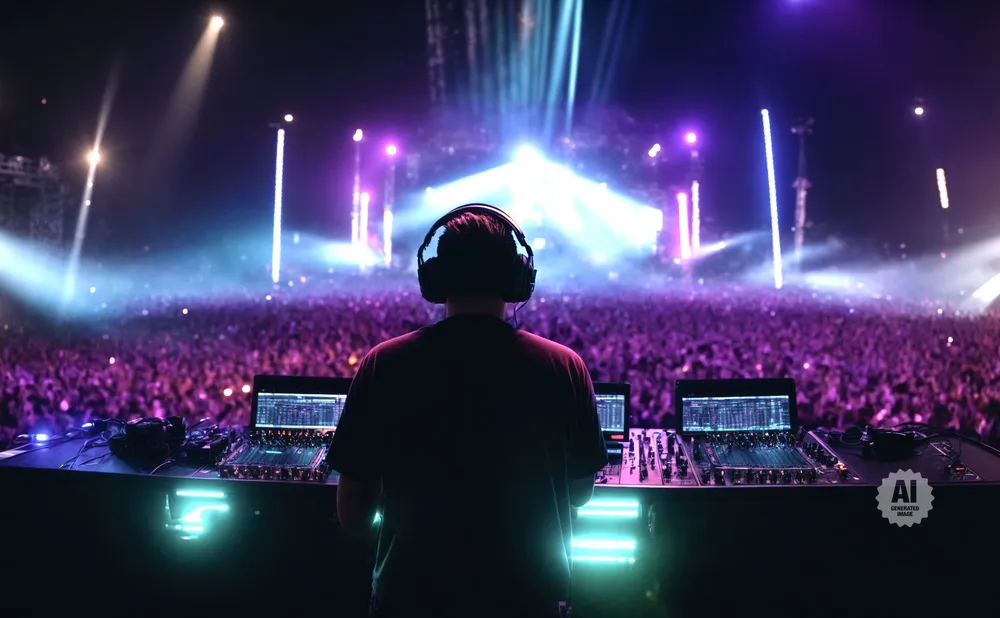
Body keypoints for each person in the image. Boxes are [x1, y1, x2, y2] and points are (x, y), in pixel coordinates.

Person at [328, 204, 608, 618]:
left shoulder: (384, 364)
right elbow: (581, 493)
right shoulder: (564, 366)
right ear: (517, 280)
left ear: (436, 278)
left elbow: (353, 515)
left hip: (410, 598)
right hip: (530, 599)